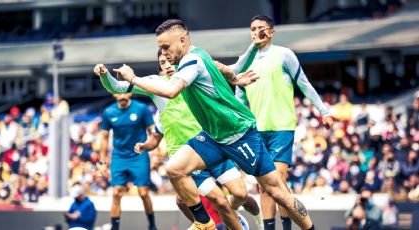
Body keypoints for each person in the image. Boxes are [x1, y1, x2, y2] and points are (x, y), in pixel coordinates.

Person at [113, 19, 316, 230]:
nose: (163, 53)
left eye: (166, 47)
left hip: (239, 135)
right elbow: (223, 68)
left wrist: (133, 78)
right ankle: (204, 222)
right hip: (213, 136)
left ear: (182, 40)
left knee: (277, 192)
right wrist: (235, 78)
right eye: (160, 48)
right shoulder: (201, 56)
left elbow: (171, 91)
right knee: (174, 168)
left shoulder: (192, 61)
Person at [94, 48, 262, 229]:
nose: (167, 66)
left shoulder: (195, 75)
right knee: (219, 202)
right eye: (162, 63)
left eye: (169, 60)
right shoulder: (156, 85)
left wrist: (238, 76)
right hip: (187, 158)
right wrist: (105, 75)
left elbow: (232, 68)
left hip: (212, 147)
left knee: (241, 194)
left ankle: (232, 218)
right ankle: (213, 222)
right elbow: (117, 88)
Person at [229, 15, 333, 230]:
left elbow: (304, 84)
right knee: (267, 188)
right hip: (256, 132)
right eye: (253, 29)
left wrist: (324, 111)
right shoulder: (244, 63)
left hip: (281, 128)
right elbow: (239, 100)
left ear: (272, 32)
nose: (257, 32)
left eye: (261, 28)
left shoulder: (284, 55)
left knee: (275, 181)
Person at [99, 92, 157, 230]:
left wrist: (155, 153)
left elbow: (153, 132)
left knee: (143, 193)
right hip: (119, 156)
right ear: (114, 94)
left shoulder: (142, 108)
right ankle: (114, 228)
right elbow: (104, 137)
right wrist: (102, 162)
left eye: (125, 91)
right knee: (116, 193)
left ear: (130, 93)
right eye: (118, 92)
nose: (122, 95)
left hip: (139, 155)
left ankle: (152, 226)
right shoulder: (108, 112)